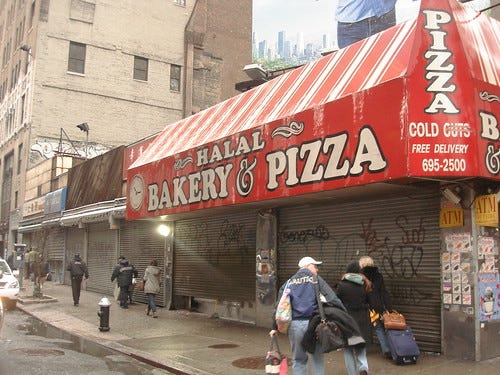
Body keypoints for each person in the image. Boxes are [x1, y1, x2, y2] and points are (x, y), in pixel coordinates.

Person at [269, 256, 345, 375]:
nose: (317, 269)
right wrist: (344, 314)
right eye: (315, 266)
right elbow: (332, 299)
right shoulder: (316, 280)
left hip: (295, 326)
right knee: (317, 359)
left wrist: (274, 327)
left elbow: (279, 306)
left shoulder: (289, 282)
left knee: (298, 360)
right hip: (314, 325)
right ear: (307, 266)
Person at [336, 260, 372, 375]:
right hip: (363, 319)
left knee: (348, 349)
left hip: (347, 321)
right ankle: (363, 368)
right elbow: (370, 301)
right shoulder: (365, 284)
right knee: (361, 346)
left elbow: (337, 302)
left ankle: (352, 373)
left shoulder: (342, 285)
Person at [359, 255, 392, 359]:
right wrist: (388, 308)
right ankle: (387, 350)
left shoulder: (360, 276)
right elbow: (384, 292)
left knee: (362, 328)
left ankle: (361, 350)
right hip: (377, 306)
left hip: (364, 307)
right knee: (379, 328)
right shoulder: (378, 276)